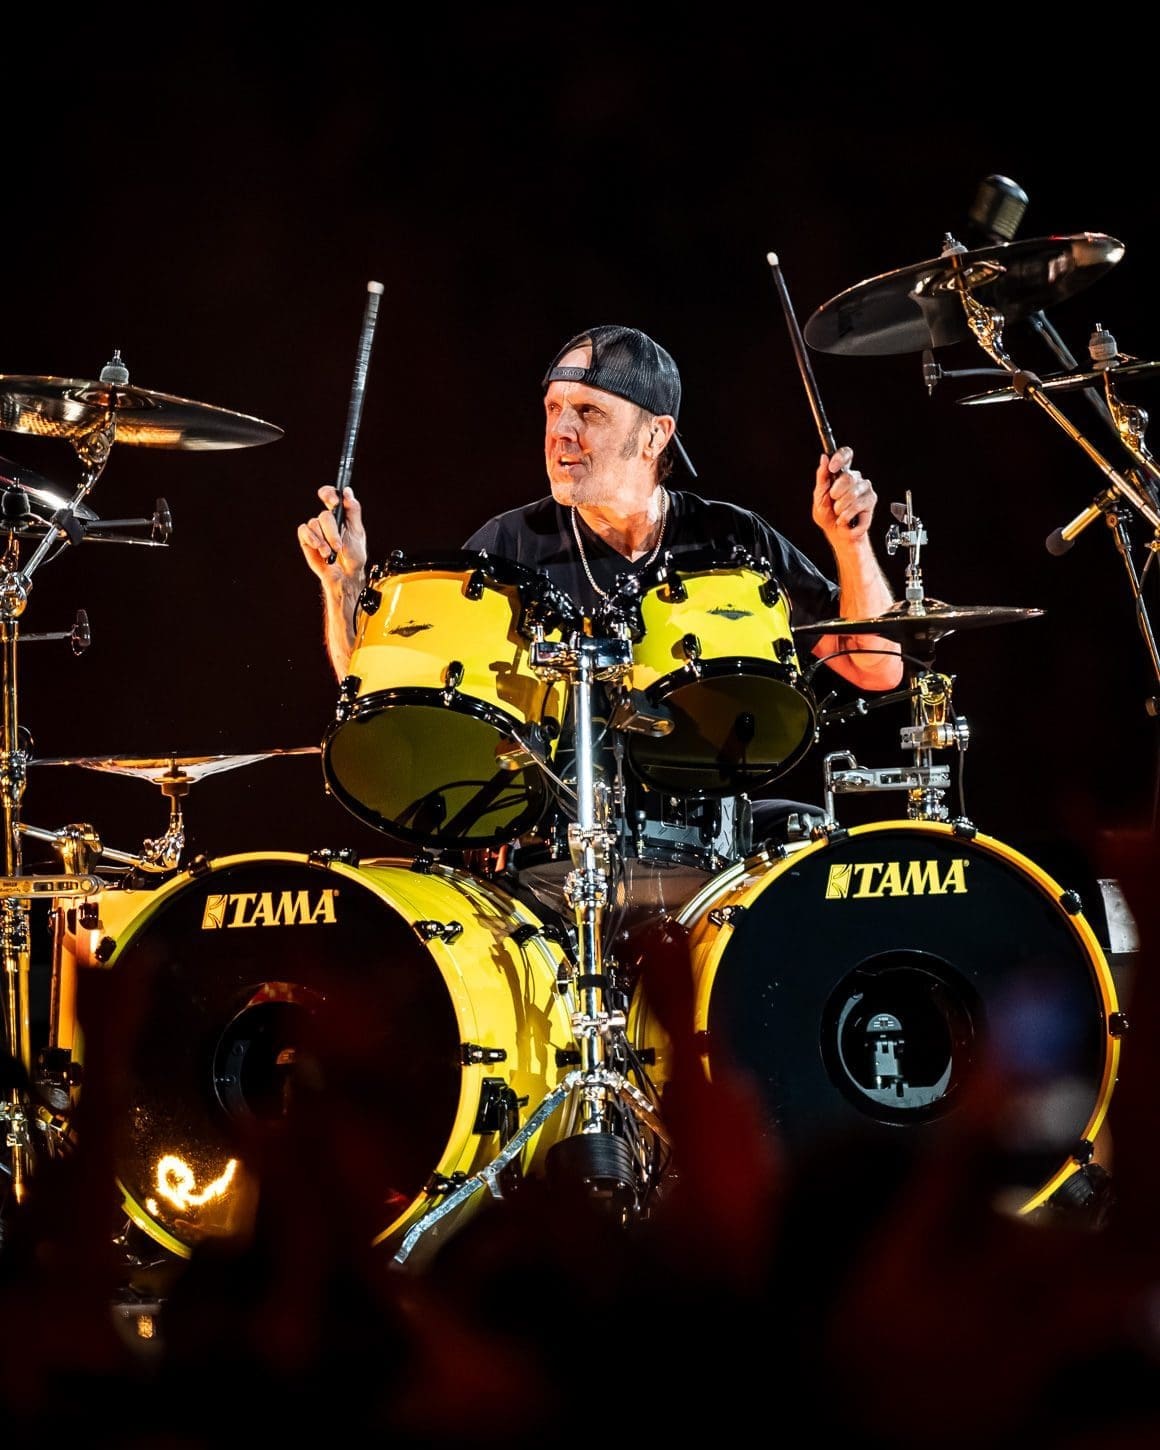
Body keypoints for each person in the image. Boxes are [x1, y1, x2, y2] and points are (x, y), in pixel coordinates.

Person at [297, 324, 904, 922]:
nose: (560, 432)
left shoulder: (730, 539)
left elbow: (876, 666)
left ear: (655, 435)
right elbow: (377, 690)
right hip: (541, 865)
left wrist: (850, 543)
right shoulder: (506, 548)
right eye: (553, 409)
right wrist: (342, 587)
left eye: (588, 413)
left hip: (709, 859)